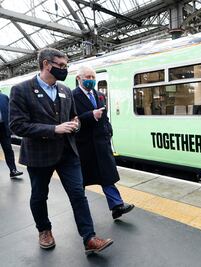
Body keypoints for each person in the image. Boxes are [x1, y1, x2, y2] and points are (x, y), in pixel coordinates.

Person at [9, 48, 113, 255]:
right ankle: (44, 230)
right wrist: (53, 129)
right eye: (62, 66)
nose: (65, 70)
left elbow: (74, 117)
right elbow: (17, 125)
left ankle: (89, 238)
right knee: (39, 195)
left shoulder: (65, 90)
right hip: (39, 154)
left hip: (68, 152)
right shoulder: (21, 90)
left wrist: (76, 123)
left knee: (78, 194)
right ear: (47, 65)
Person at [73, 66, 134, 219]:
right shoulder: (72, 96)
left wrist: (109, 131)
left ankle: (117, 206)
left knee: (107, 175)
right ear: (79, 78)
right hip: (84, 145)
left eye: (93, 77)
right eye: (87, 77)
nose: (91, 80)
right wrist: (90, 115)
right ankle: (79, 208)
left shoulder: (100, 95)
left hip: (101, 143)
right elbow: (72, 119)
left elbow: (104, 117)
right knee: (81, 179)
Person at [0, 91, 23, 178]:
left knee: (8, 149)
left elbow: (11, 111)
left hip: (4, 128)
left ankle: (13, 170)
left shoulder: (4, 97)